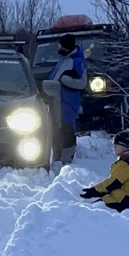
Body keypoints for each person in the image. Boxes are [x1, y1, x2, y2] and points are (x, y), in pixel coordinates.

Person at [80, 130, 129, 212]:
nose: (114, 146)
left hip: (123, 200)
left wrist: (94, 191)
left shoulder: (126, 164)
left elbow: (112, 183)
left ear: (125, 147)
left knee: (92, 210)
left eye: (117, 144)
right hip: (128, 198)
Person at [49, 34, 88, 164]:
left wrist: (66, 80)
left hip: (68, 102)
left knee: (67, 129)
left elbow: (82, 83)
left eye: (59, 45)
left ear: (66, 46)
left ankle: (67, 159)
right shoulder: (63, 60)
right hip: (57, 101)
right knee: (57, 129)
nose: (58, 47)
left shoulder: (77, 61)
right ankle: (57, 157)